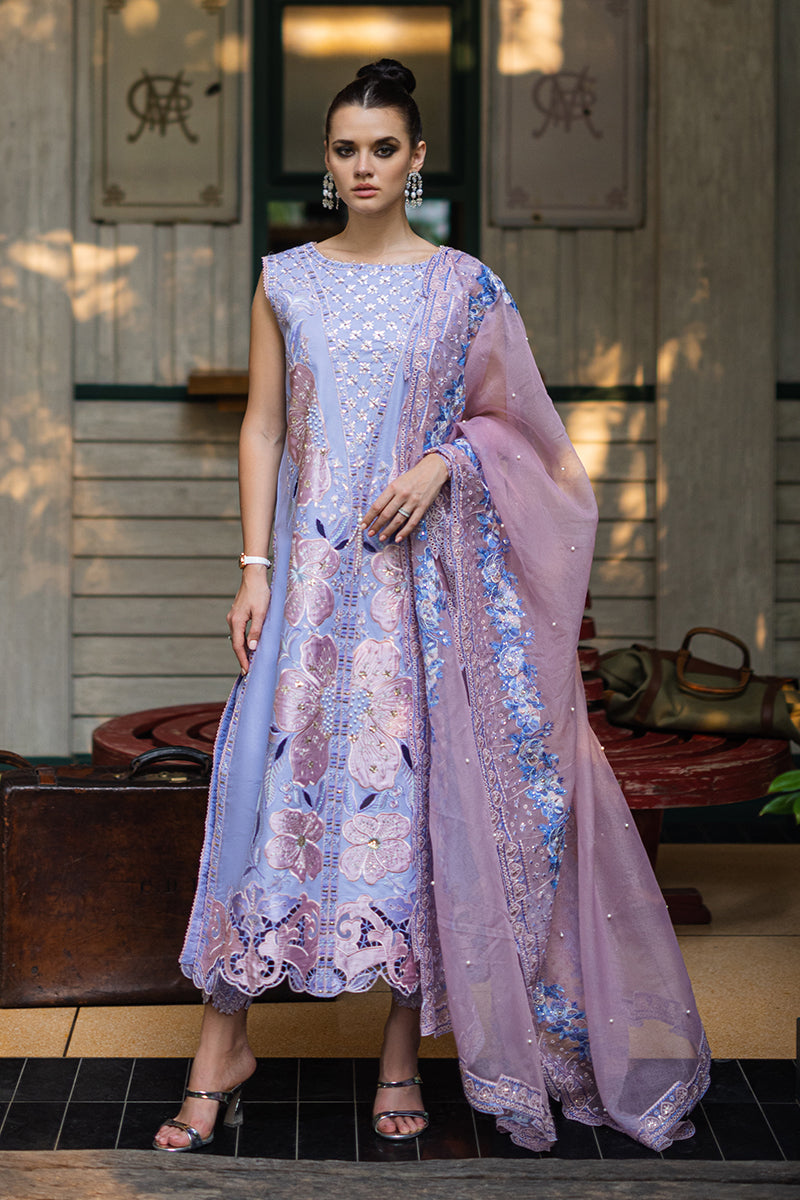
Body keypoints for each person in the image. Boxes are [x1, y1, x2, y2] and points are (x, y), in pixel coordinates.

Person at [153, 59, 709, 1154]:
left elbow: (527, 436)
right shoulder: (285, 280)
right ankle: (222, 1047)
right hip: (310, 587)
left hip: (417, 592)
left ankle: (400, 1057)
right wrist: (253, 567)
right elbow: (263, 426)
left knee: (413, 809)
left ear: (414, 161)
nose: (362, 166)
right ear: (327, 162)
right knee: (266, 799)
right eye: (344, 149)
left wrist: (445, 461)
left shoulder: (465, 288)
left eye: (382, 149)